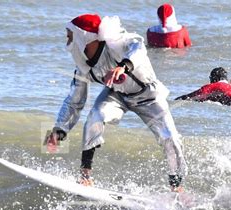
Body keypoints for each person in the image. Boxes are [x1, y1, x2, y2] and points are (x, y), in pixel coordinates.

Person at [46, 14, 187, 192]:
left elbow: (139, 46)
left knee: (170, 138)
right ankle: (85, 176)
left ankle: (177, 186)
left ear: (84, 36)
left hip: (148, 95)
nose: (67, 39)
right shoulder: (83, 66)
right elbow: (74, 101)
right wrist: (59, 130)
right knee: (95, 116)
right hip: (117, 95)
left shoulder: (115, 44)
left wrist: (123, 66)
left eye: (69, 35)